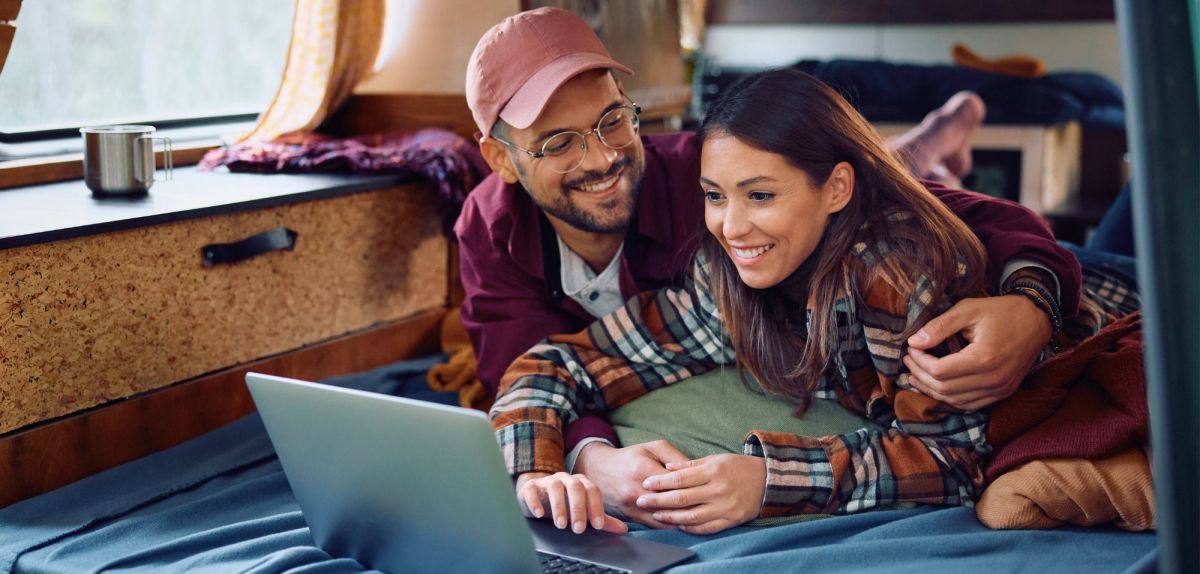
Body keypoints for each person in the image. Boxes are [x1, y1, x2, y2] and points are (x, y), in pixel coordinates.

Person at [458, 7, 1081, 529]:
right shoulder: (718, 269)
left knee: (899, 178)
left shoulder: (708, 172)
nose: (601, 156)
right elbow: (539, 363)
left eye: (611, 120)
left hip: (887, 217)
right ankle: (930, 141)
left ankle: (939, 134)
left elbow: (954, 455)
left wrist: (1033, 298)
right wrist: (563, 464)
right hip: (827, 222)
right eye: (557, 141)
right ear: (502, 160)